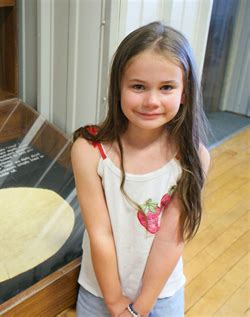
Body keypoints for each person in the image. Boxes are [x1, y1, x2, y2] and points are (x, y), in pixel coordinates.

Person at [71, 21, 211, 317]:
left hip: (161, 296)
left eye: (167, 88)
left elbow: (171, 239)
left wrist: (139, 308)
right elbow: (100, 233)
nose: (151, 101)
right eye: (138, 86)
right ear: (118, 87)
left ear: (184, 92)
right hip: (100, 293)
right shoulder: (88, 150)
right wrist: (114, 303)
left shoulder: (193, 156)